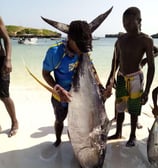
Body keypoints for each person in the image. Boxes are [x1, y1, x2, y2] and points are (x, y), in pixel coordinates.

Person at [42, 8, 112, 147]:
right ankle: (57, 139)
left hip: (82, 97)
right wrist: (58, 89)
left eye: (84, 48)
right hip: (61, 95)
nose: (81, 51)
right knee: (60, 120)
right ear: (69, 38)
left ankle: (75, 142)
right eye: (79, 46)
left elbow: (92, 69)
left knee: (79, 124)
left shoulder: (83, 51)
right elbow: (45, 74)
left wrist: (101, 88)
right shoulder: (55, 52)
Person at [105, 7, 155, 147]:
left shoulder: (146, 40)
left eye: (129, 22)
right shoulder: (120, 39)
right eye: (124, 22)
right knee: (119, 107)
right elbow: (115, 60)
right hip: (121, 76)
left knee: (134, 108)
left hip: (135, 78)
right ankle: (118, 132)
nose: (126, 25)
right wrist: (111, 78)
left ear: (139, 21)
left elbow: (151, 67)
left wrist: (147, 91)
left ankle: (132, 135)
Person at [0, 16, 18, 137]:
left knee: (4, 95)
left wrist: (8, 59)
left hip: (0, 62)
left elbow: (7, 39)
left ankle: (14, 122)